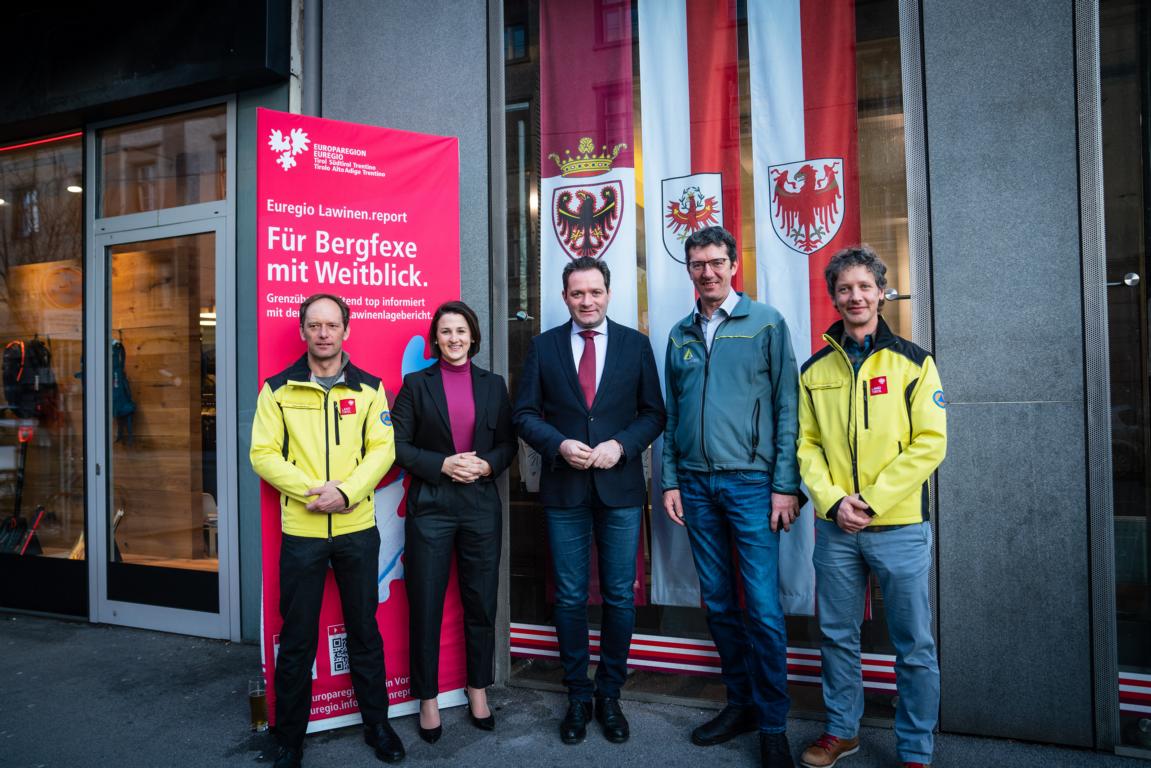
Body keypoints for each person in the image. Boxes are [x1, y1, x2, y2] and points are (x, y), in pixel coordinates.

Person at [796, 246, 946, 768]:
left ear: (881, 292)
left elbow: (930, 443)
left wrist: (874, 501)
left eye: (865, 286)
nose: (855, 296)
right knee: (837, 636)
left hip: (899, 526)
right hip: (836, 529)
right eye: (844, 288)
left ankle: (915, 750)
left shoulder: (914, 361)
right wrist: (835, 502)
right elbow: (806, 446)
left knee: (914, 644)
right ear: (833, 297)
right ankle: (842, 731)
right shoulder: (814, 370)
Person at [660, 226, 802, 768]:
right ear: (690, 270)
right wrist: (671, 478)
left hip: (751, 486)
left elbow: (789, 407)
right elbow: (673, 415)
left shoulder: (765, 323)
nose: (708, 272)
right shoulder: (679, 334)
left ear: (734, 264)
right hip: (695, 485)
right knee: (719, 603)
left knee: (763, 610)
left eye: (717, 262)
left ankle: (772, 724)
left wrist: (785, 484)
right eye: (698, 264)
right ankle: (740, 704)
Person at [513, 256, 665, 746]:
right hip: (565, 488)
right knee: (573, 596)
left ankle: (610, 693)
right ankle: (578, 693)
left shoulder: (635, 346)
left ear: (608, 292)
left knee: (620, 596)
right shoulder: (543, 347)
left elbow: (653, 414)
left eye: (594, 292)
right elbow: (524, 414)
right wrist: (557, 444)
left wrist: (622, 445)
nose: (587, 301)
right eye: (577, 294)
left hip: (619, 488)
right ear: (565, 298)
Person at [250, 293, 405, 768]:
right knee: (297, 637)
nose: (323, 333)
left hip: (358, 528)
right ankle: (289, 738)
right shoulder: (277, 389)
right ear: (303, 331)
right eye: (314, 325)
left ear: (346, 330)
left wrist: (349, 492)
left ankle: (378, 725)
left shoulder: (369, 388)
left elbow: (384, 449)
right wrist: (312, 491)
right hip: (303, 531)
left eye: (332, 325)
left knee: (364, 630)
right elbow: (263, 454)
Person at [391, 300, 517, 743]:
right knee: (425, 605)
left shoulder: (494, 385)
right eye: (445, 332)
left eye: (461, 330)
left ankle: (477, 690)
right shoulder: (415, 384)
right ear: (436, 339)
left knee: (481, 603)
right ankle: (427, 699)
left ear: (473, 336)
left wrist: (485, 466)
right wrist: (443, 464)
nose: (454, 338)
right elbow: (399, 448)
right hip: (432, 509)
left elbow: (507, 445)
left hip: (481, 507)